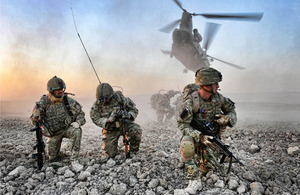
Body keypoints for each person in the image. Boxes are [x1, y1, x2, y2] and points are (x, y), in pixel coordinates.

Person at [177, 67, 237, 194]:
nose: (218, 86)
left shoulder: (218, 99)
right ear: (207, 85)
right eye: (215, 84)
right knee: (186, 143)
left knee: (207, 168)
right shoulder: (191, 101)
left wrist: (227, 118)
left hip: (211, 140)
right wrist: (199, 136)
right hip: (196, 137)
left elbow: (232, 111)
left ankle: (198, 160)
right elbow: (183, 125)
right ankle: (194, 179)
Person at [30, 76, 86, 172]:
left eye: (62, 89)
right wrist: (36, 117)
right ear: (51, 91)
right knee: (52, 158)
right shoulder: (44, 102)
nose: (60, 91)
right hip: (53, 133)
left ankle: (74, 160)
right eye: (57, 90)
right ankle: (59, 153)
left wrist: (78, 123)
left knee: (77, 131)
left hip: (66, 129)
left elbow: (81, 113)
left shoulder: (68, 100)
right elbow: (34, 120)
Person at [90, 83, 142, 158]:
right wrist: (108, 120)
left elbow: (133, 109)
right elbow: (94, 117)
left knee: (137, 129)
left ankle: (133, 151)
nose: (103, 102)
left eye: (105, 99)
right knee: (111, 155)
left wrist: (129, 115)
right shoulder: (97, 104)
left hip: (124, 124)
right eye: (101, 100)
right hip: (111, 129)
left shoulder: (119, 97)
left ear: (110, 96)